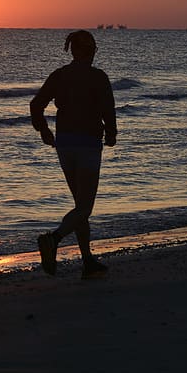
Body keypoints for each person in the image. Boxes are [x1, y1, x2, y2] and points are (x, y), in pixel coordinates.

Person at [30, 30, 117, 279]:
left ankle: (88, 261)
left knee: (80, 206)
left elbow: (36, 105)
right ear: (90, 51)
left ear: (74, 51)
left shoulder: (60, 76)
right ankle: (53, 240)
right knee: (84, 208)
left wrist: (44, 131)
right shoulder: (98, 77)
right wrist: (111, 134)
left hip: (65, 145)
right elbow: (108, 110)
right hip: (88, 145)